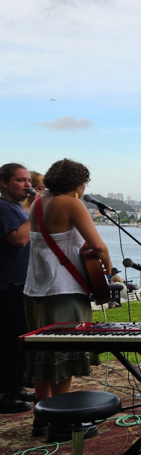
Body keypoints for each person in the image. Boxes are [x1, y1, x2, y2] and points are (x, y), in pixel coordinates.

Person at [24, 159, 112, 415]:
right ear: (78, 183)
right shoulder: (72, 202)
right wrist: (107, 265)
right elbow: (98, 245)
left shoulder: (38, 202)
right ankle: (61, 418)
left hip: (35, 288)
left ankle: (42, 415)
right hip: (63, 289)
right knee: (64, 353)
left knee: (42, 354)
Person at [0, 163, 35, 413]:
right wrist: (38, 212)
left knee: (18, 340)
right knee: (9, 341)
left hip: (19, 282)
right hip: (8, 285)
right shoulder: (3, 207)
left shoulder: (17, 208)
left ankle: (15, 385)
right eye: (21, 180)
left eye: (28, 180)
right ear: (4, 183)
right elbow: (20, 238)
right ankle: (5, 393)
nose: (28, 185)